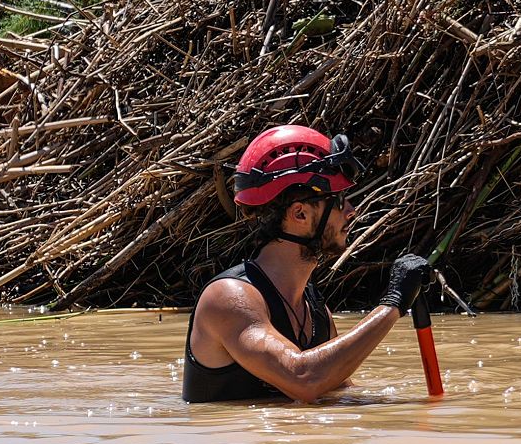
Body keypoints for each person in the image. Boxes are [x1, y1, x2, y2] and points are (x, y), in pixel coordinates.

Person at [182, 124, 430, 403]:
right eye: (338, 200)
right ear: (299, 213)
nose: (351, 211)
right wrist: (392, 305)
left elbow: (340, 392)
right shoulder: (228, 298)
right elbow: (304, 378)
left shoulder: (315, 311)